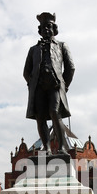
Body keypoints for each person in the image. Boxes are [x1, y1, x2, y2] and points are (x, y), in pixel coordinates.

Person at [23, 12, 75, 155]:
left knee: (54, 112)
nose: (46, 29)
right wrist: (32, 84)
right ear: (39, 31)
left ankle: (61, 147)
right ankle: (46, 148)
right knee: (40, 117)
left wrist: (64, 85)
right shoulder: (33, 49)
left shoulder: (62, 46)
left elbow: (71, 68)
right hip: (38, 87)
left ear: (54, 29)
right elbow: (26, 72)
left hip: (55, 86)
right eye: (43, 27)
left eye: (49, 27)